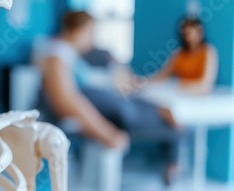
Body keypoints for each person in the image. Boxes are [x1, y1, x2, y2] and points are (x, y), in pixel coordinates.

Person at [35, 11, 181, 183]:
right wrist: (106, 133)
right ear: (77, 30)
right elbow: (65, 100)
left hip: (110, 104)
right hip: (106, 112)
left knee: (158, 111)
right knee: (163, 115)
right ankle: (173, 146)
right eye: (90, 33)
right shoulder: (57, 54)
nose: (92, 39)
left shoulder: (68, 54)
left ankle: (171, 140)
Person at [153, 17, 218, 95]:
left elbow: (206, 84)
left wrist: (182, 87)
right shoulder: (178, 53)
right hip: (180, 94)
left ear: (200, 32)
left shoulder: (208, 51)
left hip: (198, 96)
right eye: (186, 33)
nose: (189, 36)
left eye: (192, 32)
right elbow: (162, 75)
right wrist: (143, 81)